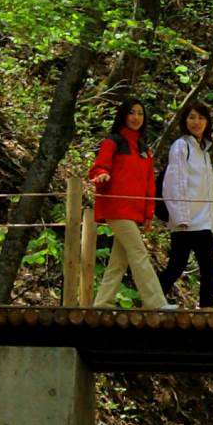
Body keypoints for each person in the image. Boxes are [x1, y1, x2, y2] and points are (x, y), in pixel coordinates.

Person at [88, 98, 170, 310]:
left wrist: (149, 213)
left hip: (134, 211)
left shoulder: (144, 149)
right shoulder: (112, 142)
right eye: (132, 113)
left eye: (140, 113)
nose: (136, 118)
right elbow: (99, 167)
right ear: (124, 115)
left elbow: (149, 184)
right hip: (117, 208)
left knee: (119, 261)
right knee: (139, 253)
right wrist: (102, 175)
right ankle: (156, 303)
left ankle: (102, 302)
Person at [158, 100, 213, 306]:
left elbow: (209, 191)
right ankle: (152, 300)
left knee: (207, 267)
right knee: (177, 266)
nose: (196, 122)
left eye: (200, 118)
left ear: (207, 122)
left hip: (203, 221)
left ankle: (207, 309)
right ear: (184, 120)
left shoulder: (204, 152)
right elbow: (174, 183)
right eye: (191, 117)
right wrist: (181, 217)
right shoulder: (181, 146)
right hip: (186, 221)